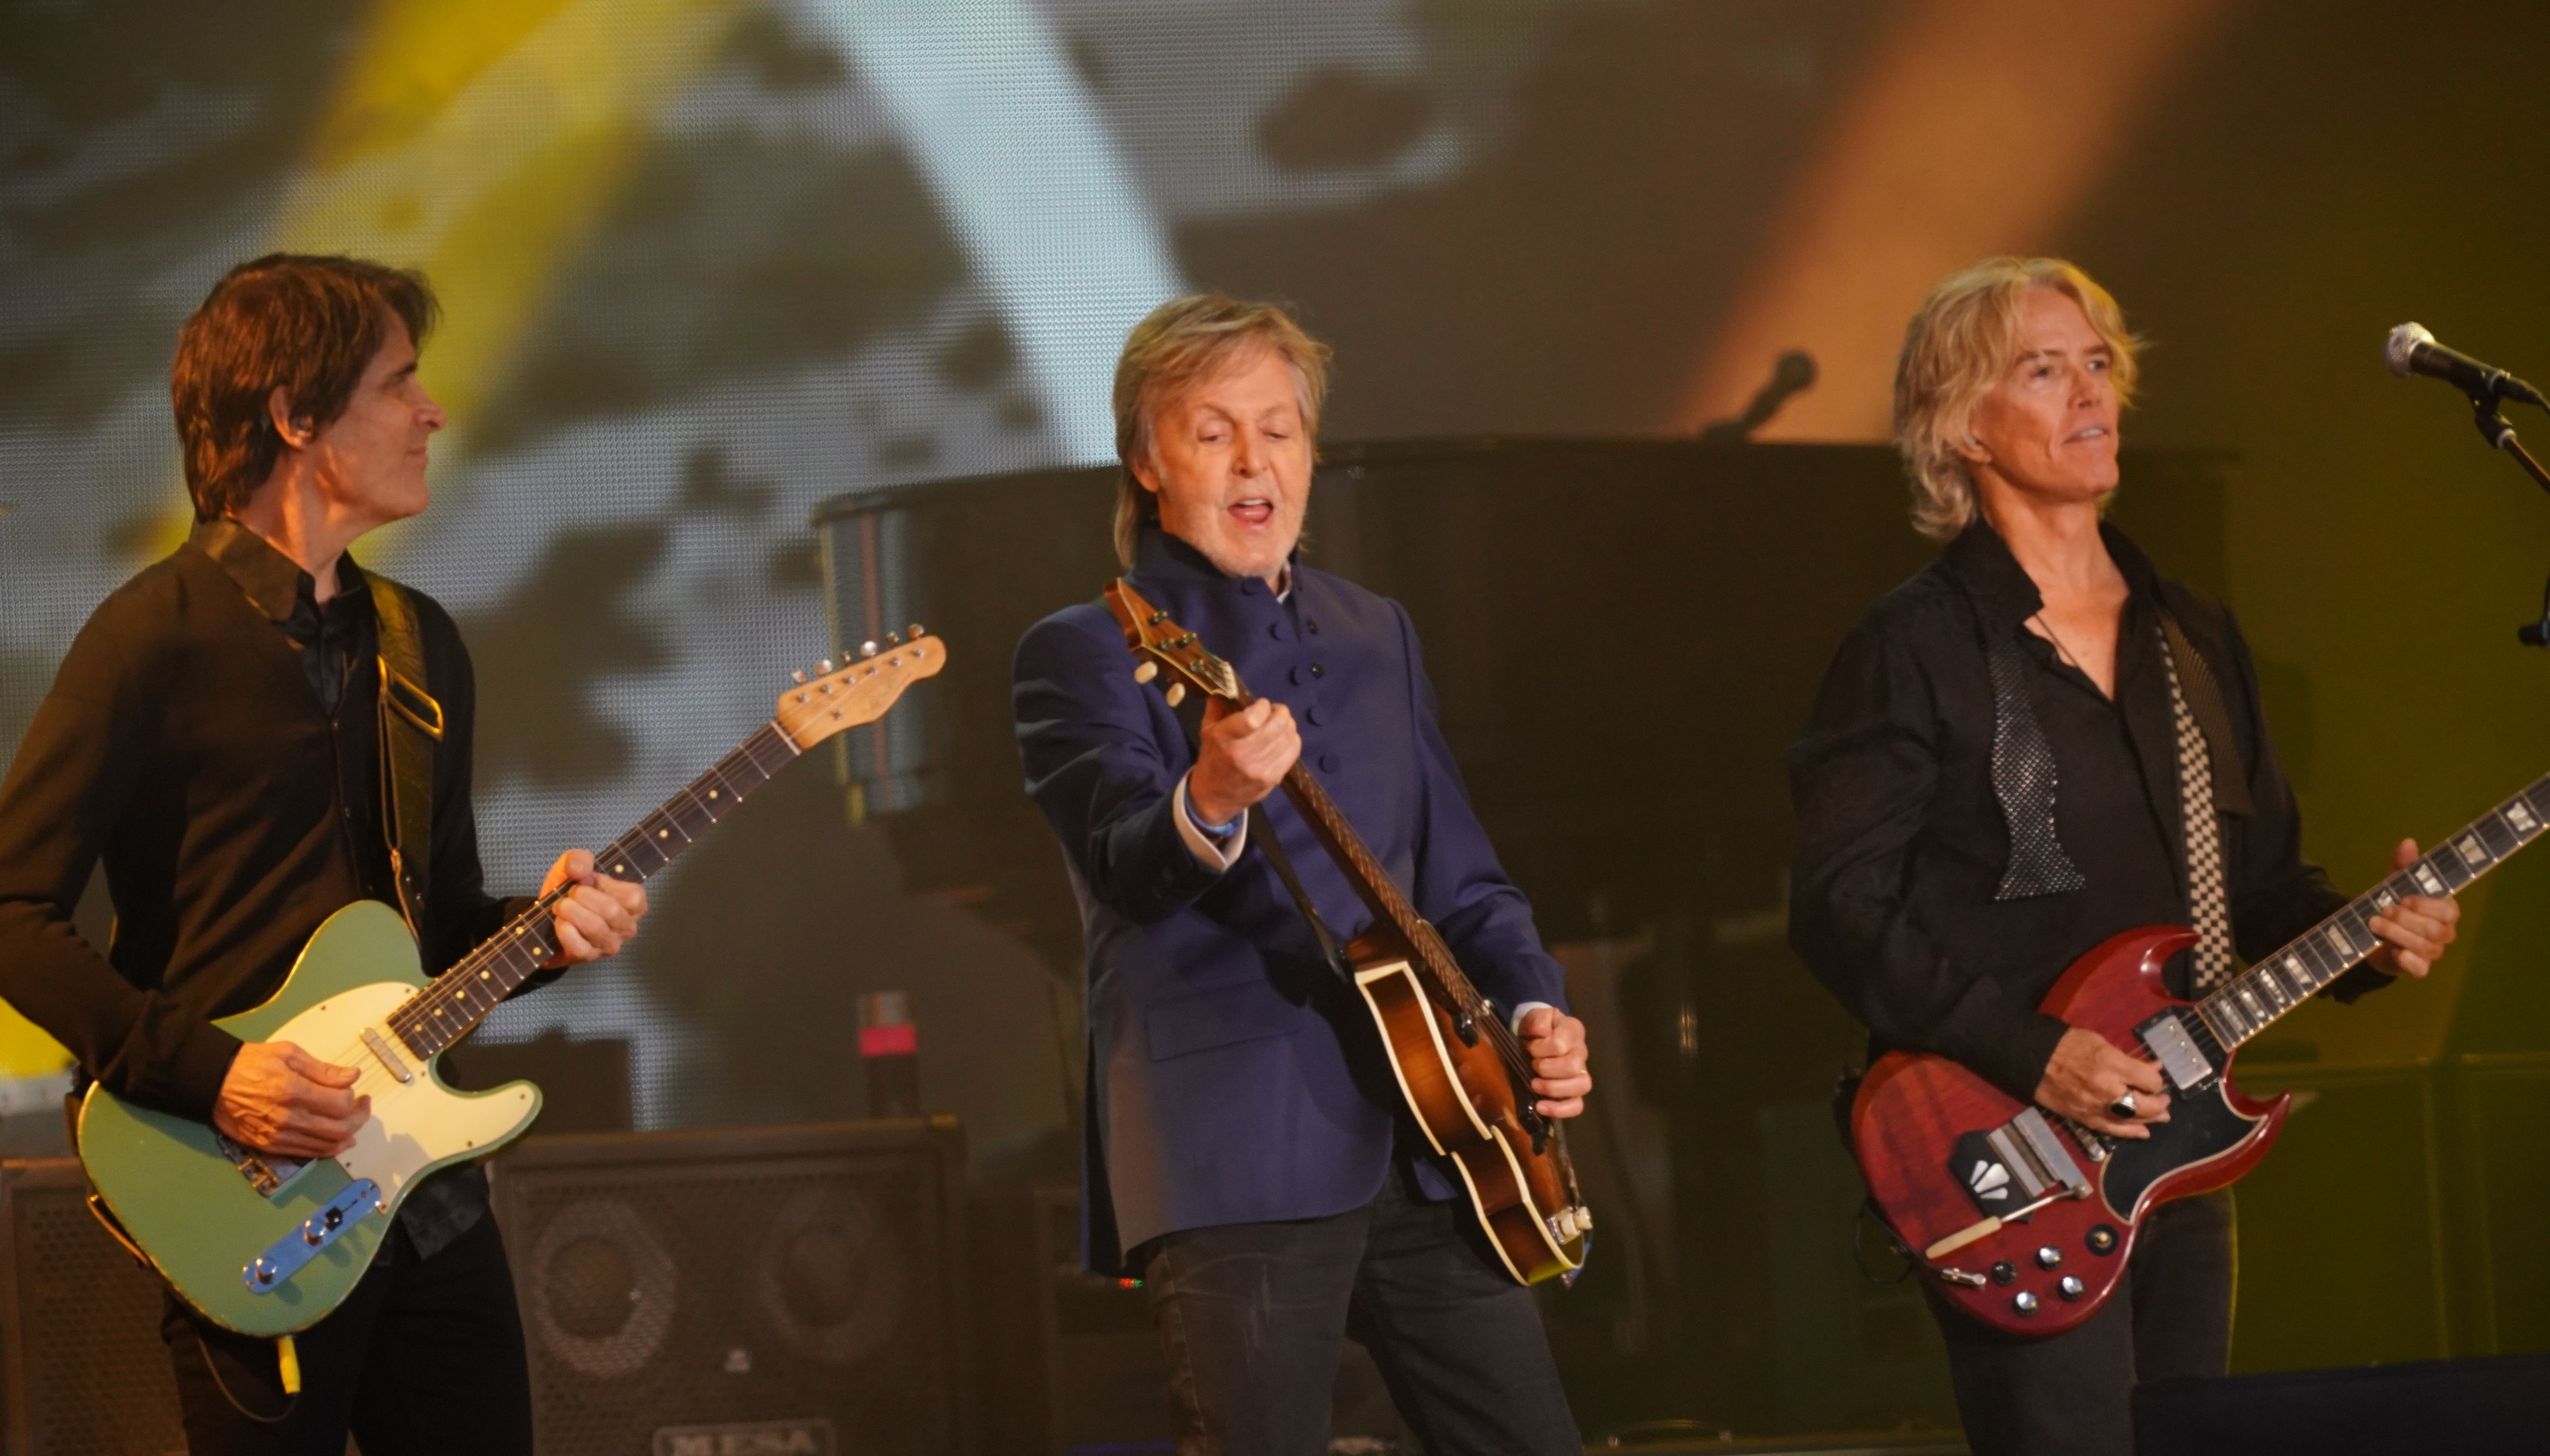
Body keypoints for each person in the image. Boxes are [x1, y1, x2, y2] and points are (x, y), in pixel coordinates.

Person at [1786, 257, 2459, 1456]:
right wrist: (2039, 1056)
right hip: (2003, 1149)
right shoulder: (1913, 645)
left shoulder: (2192, 634)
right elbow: (1839, 909)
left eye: (2098, 363)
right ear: (1964, 426)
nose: (2091, 392)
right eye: (2044, 370)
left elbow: (2261, 895)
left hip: (2179, 1149)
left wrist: (2373, 935)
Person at [0, 254, 649, 1454]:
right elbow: (10, 907)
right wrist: (210, 1075)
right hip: (247, 1194)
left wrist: (550, 927)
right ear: (295, 417)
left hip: (430, 1208)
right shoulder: (150, 635)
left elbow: (440, 922)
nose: (433, 411)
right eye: (400, 383)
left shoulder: (421, 644)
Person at [1012, 295, 1593, 1456]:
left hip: (1438, 1140)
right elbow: (1127, 864)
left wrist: (1534, 1004)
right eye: (1213, 430)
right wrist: (1211, 798)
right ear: (1146, 459)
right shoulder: (1086, 645)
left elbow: (1467, 883)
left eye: (1279, 430)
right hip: (1235, 1149)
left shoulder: (1379, 629)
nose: (1253, 462)